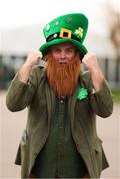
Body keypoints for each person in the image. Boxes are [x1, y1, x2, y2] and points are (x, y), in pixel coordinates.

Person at [6, 13, 113, 178]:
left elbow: (105, 110)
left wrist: (96, 70)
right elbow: (13, 105)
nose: (63, 56)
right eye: (57, 50)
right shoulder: (36, 76)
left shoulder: (88, 80)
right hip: (40, 170)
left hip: (79, 172)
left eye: (69, 50)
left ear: (77, 54)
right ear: (49, 54)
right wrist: (27, 65)